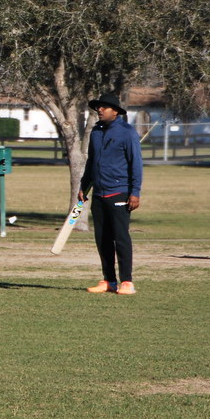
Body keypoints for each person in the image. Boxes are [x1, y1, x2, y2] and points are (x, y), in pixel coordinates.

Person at [79, 93, 143, 295]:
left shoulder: (127, 132)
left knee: (120, 237)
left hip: (119, 193)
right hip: (99, 193)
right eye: (98, 107)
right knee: (102, 239)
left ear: (115, 111)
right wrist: (84, 185)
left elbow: (136, 164)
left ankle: (127, 281)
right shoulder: (95, 131)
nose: (100, 110)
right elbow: (91, 162)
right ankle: (109, 280)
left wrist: (135, 192)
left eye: (104, 107)